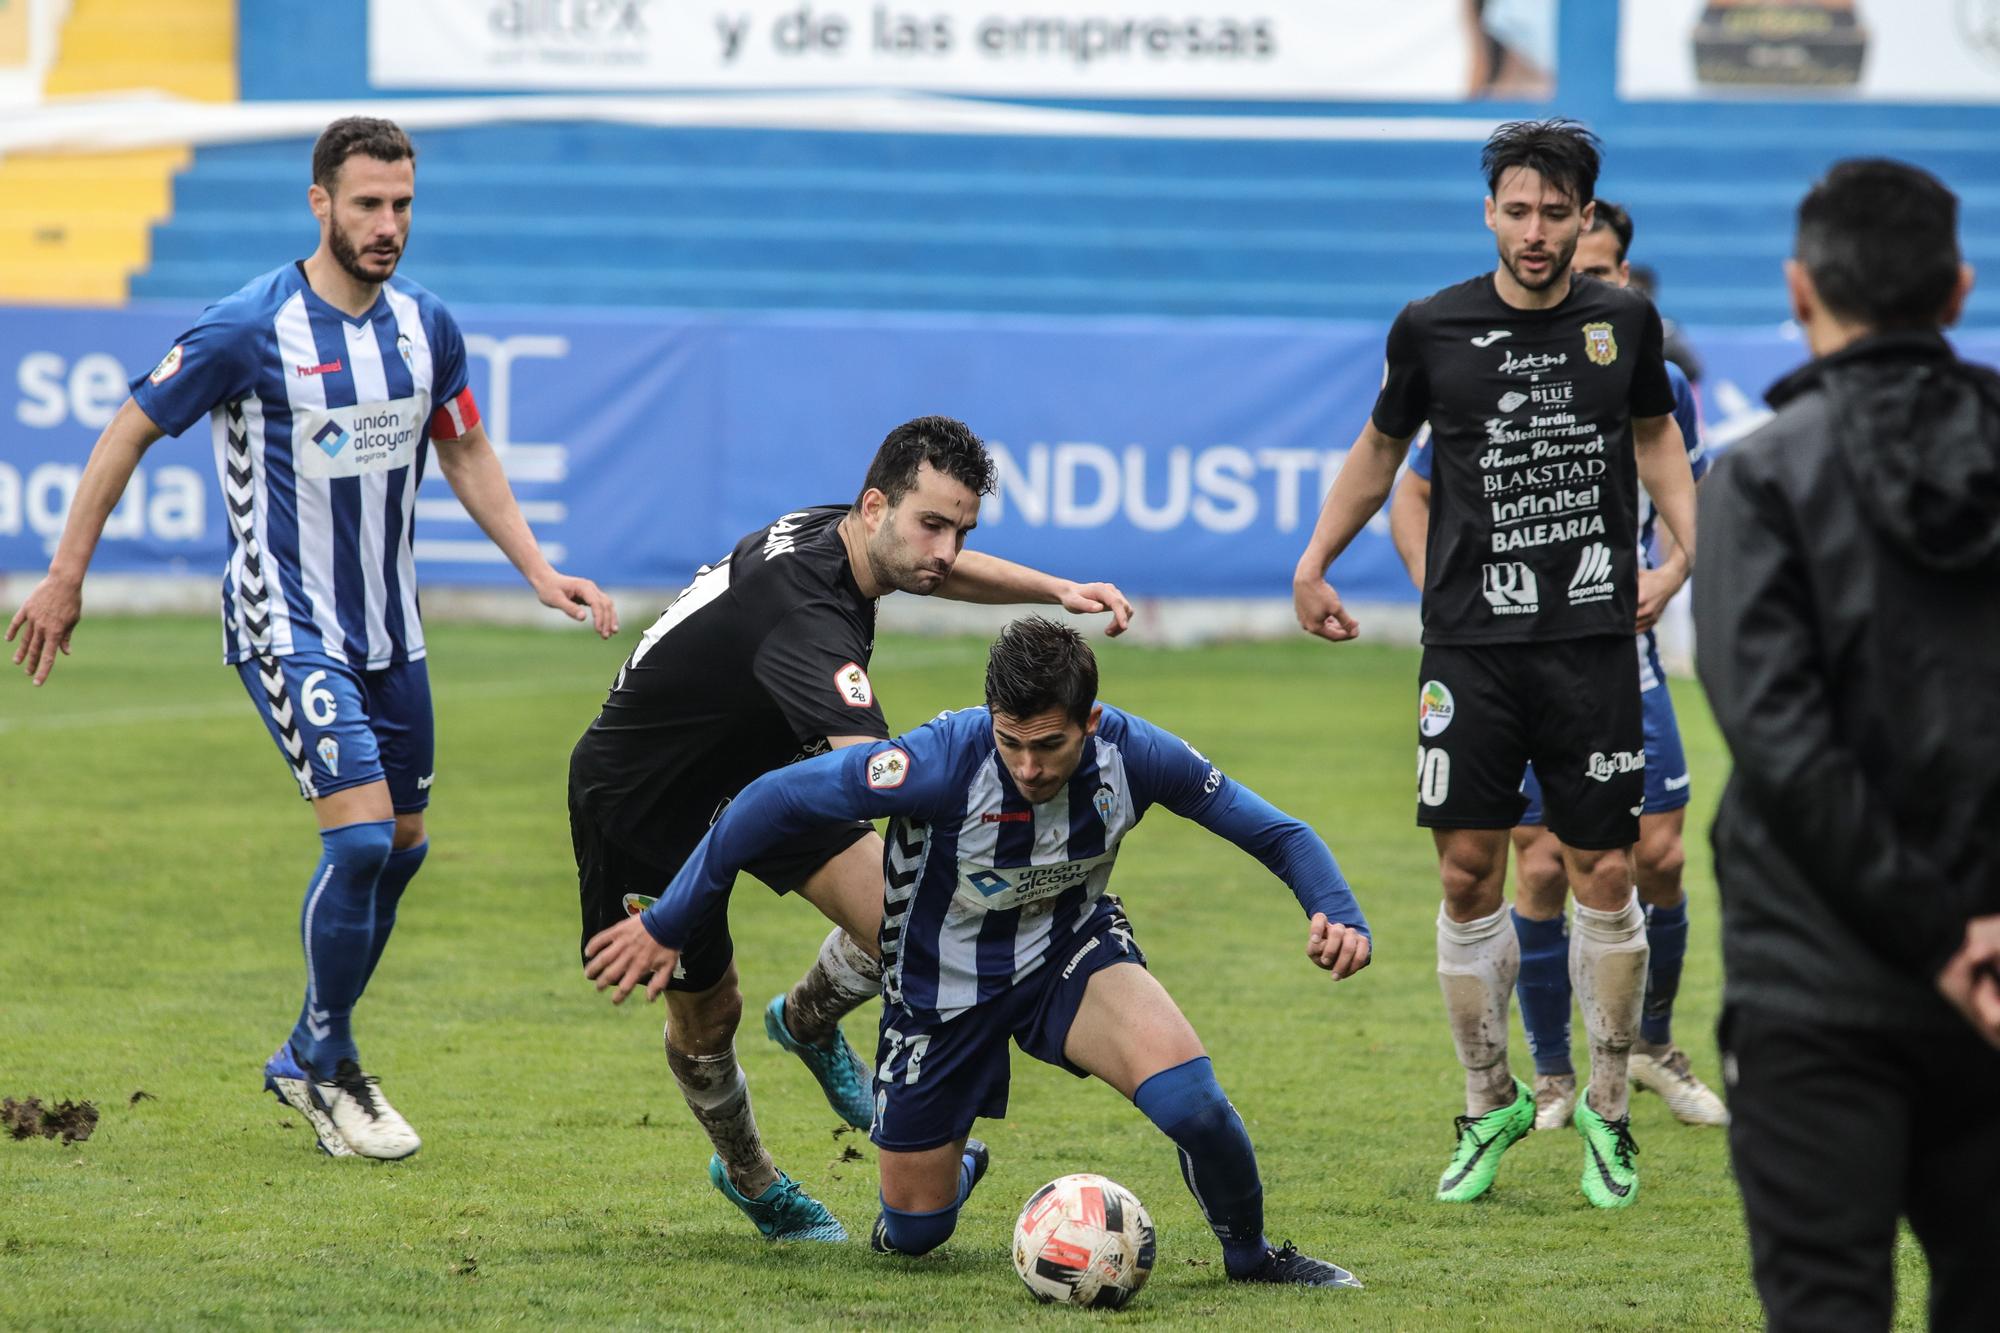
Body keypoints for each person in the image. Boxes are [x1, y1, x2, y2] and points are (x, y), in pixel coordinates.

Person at [4, 117, 617, 1160]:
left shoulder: (429, 328)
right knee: (364, 838)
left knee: (406, 850)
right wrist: (66, 575)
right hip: (284, 621)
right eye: (368, 204)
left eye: (403, 205)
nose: (388, 225)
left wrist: (534, 567)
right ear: (319, 204)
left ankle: (304, 1052)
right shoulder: (247, 327)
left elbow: (463, 448)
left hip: (391, 630)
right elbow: (127, 428)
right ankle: (328, 1065)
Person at [585, 616, 1373, 1287]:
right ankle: (952, 1167)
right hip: (937, 993)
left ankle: (1253, 1258)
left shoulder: (1134, 754)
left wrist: (1333, 906)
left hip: (1069, 954)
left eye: (1050, 745)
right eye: (1012, 742)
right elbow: (767, 801)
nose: (1028, 766)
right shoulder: (937, 760)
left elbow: (1277, 830)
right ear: (992, 716)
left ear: (1090, 722)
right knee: (914, 1234)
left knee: (1194, 1103)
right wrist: (670, 919)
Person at [566, 421, 1134, 1243]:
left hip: (766, 764)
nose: (945, 548)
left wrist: (1057, 588)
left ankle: (804, 1020)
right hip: (645, 802)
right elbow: (881, 777)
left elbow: (935, 571)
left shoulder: (855, 532)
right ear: (878, 507)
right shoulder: (807, 616)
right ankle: (754, 1178)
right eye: (933, 524)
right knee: (707, 1014)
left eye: (961, 528)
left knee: (914, 924)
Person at [1291, 119, 1697, 1208]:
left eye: (1553, 213)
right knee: (1465, 870)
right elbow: (1381, 454)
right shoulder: (1431, 327)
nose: (1533, 231)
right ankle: (1486, 1101)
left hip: (1590, 645)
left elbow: (1657, 438)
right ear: (1489, 213)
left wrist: (1681, 553)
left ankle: (1607, 1114)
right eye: (1515, 210)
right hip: (1468, 649)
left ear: (1582, 219)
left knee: (1600, 869)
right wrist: (1316, 558)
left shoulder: (1622, 320)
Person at [1694, 157, 2000, 1330]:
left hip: (1815, 984)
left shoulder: (1762, 477)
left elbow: (1778, 741)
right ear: (1957, 289)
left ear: (1799, 288)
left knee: (1824, 1307)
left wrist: (1931, 935)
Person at [1387, 200, 1727, 1132]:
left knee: (1651, 853)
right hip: (1507, 647)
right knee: (1532, 862)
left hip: (1625, 647)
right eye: (1596, 268)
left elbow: (1682, 493)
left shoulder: (1654, 378)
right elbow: (1408, 488)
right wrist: (1437, 596)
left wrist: (1672, 572)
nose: (1603, 284)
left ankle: (1649, 1046)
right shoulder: (1488, 353)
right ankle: (1549, 1079)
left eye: (1616, 271)